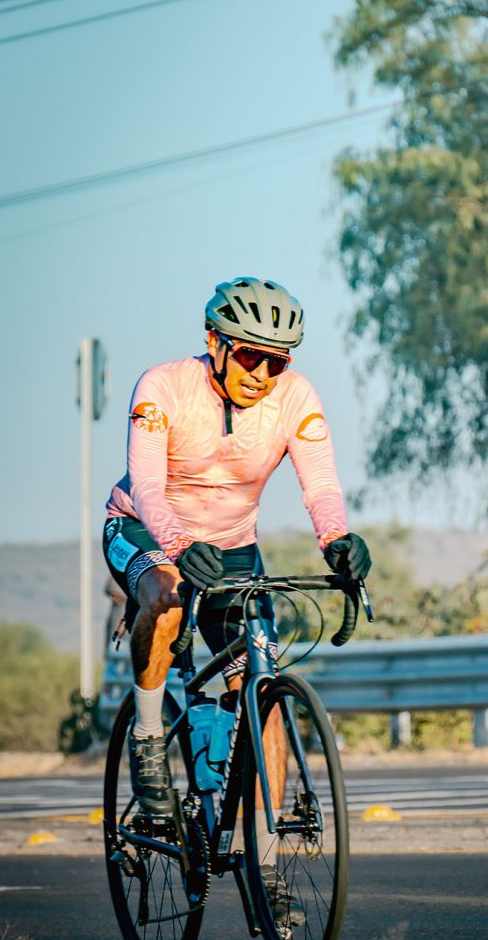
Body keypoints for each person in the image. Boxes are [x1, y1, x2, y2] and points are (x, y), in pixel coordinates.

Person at [103, 276, 371, 824]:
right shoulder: (164, 386)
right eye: (251, 356)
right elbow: (147, 485)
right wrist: (178, 544)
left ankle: (267, 866)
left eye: (278, 361)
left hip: (233, 549)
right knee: (168, 592)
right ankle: (149, 737)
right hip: (145, 532)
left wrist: (337, 539)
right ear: (214, 341)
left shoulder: (295, 396)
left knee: (262, 690)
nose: (264, 375)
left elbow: (319, 485)